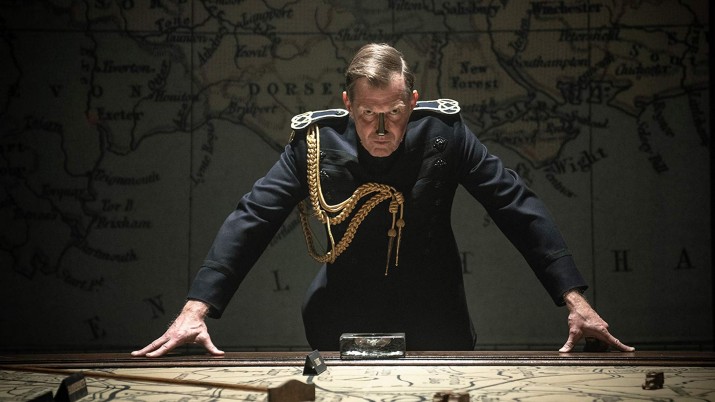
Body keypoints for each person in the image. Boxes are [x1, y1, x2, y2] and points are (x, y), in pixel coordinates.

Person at [132, 43, 634, 357]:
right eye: (367, 113)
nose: (380, 129)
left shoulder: (445, 134)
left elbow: (516, 206)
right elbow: (254, 216)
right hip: (340, 318)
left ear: (412, 102)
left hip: (437, 319)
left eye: (394, 113)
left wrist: (575, 301)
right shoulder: (315, 143)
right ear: (347, 103)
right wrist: (195, 310)